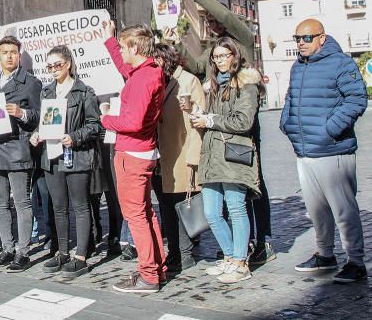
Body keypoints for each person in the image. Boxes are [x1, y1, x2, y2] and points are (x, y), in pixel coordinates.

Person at [281, 18, 368, 283]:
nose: (300, 43)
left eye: (306, 38)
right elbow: (290, 99)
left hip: (333, 151)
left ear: (322, 37)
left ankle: (355, 261)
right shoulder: (299, 66)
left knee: (344, 210)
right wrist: (286, 124)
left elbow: (356, 99)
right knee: (316, 210)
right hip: (304, 152)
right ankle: (326, 255)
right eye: (297, 38)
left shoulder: (341, 63)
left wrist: (329, 130)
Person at [99, 22, 166, 294]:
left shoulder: (142, 79)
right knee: (146, 213)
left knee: (136, 216)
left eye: (125, 48)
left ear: (135, 48)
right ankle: (155, 268)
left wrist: (105, 117)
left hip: (132, 153)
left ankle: (148, 274)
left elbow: (132, 121)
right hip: (143, 151)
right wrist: (110, 41)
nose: (123, 54)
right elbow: (125, 68)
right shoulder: (148, 72)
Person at [190, 38, 263, 284]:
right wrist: (200, 115)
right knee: (212, 213)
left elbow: (244, 122)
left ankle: (241, 262)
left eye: (224, 55)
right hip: (212, 156)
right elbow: (213, 117)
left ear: (235, 55)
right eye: (216, 57)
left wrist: (210, 120)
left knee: (236, 208)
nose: (220, 60)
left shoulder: (247, 84)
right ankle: (230, 257)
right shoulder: (213, 86)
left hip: (234, 155)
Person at [32, 46, 104, 278]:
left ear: (68, 64)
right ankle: (62, 252)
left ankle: (81, 256)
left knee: (81, 206)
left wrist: (74, 137)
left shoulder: (84, 92)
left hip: (77, 156)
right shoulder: (46, 92)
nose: (53, 70)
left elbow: (95, 125)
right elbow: (45, 121)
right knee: (58, 206)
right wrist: (37, 133)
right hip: (52, 155)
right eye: (49, 66)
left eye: (57, 65)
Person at [0, 35, 42, 272]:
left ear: (19, 54)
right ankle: (7, 248)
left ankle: (23, 252)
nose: (9, 56)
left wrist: (21, 113)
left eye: (13, 52)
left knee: (22, 202)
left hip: (16, 148)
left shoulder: (31, 82)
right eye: (5, 52)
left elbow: (38, 116)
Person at [151, 44, 206, 274]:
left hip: (181, 153)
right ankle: (174, 252)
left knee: (182, 205)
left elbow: (199, 120)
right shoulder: (156, 81)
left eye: (155, 61)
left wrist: (193, 157)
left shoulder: (188, 80)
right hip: (160, 155)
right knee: (166, 207)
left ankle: (184, 253)